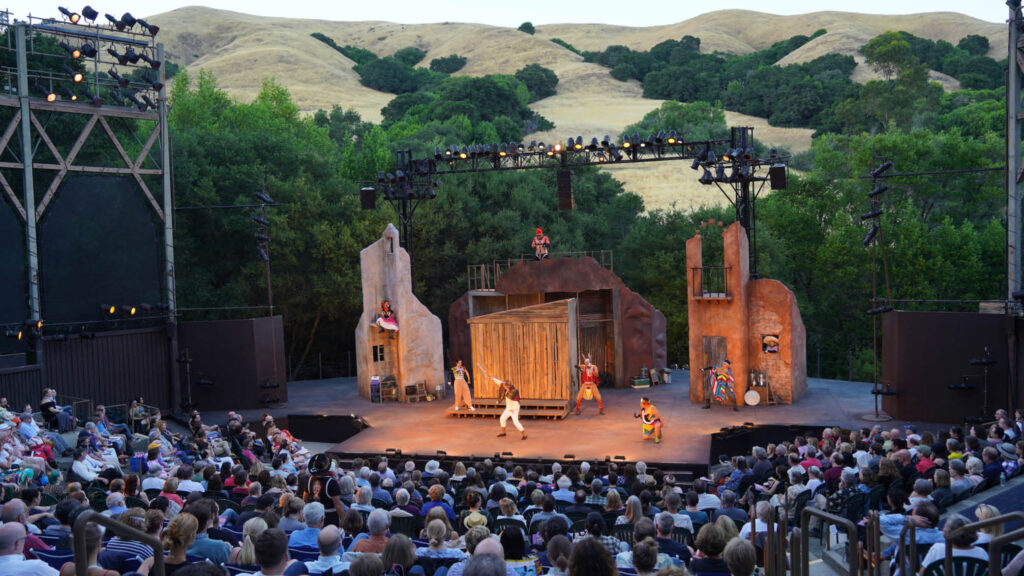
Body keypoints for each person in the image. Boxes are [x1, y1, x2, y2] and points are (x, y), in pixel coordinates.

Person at [919, 514, 988, 573]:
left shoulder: (937, 549)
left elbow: (922, 573)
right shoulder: (981, 552)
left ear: (947, 532)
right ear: (972, 531)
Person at [305, 453, 345, 525]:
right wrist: (344, 520)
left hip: (313, 516)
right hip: (329, 518)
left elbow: (305, 498)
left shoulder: (310, 480)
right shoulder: (332, 483)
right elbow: (338, 505)